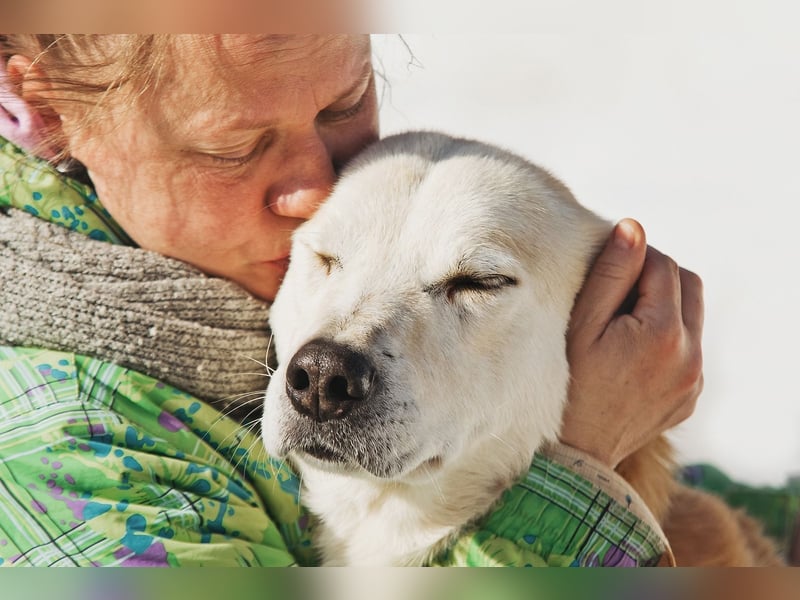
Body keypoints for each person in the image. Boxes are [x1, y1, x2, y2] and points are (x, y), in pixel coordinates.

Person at [0, 33, 730, 567]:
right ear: (42, 111)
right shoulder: (67, 450)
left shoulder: (219, 267)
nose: (321, 187)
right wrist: (583, 467)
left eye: (344, 104)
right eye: (233, 149)